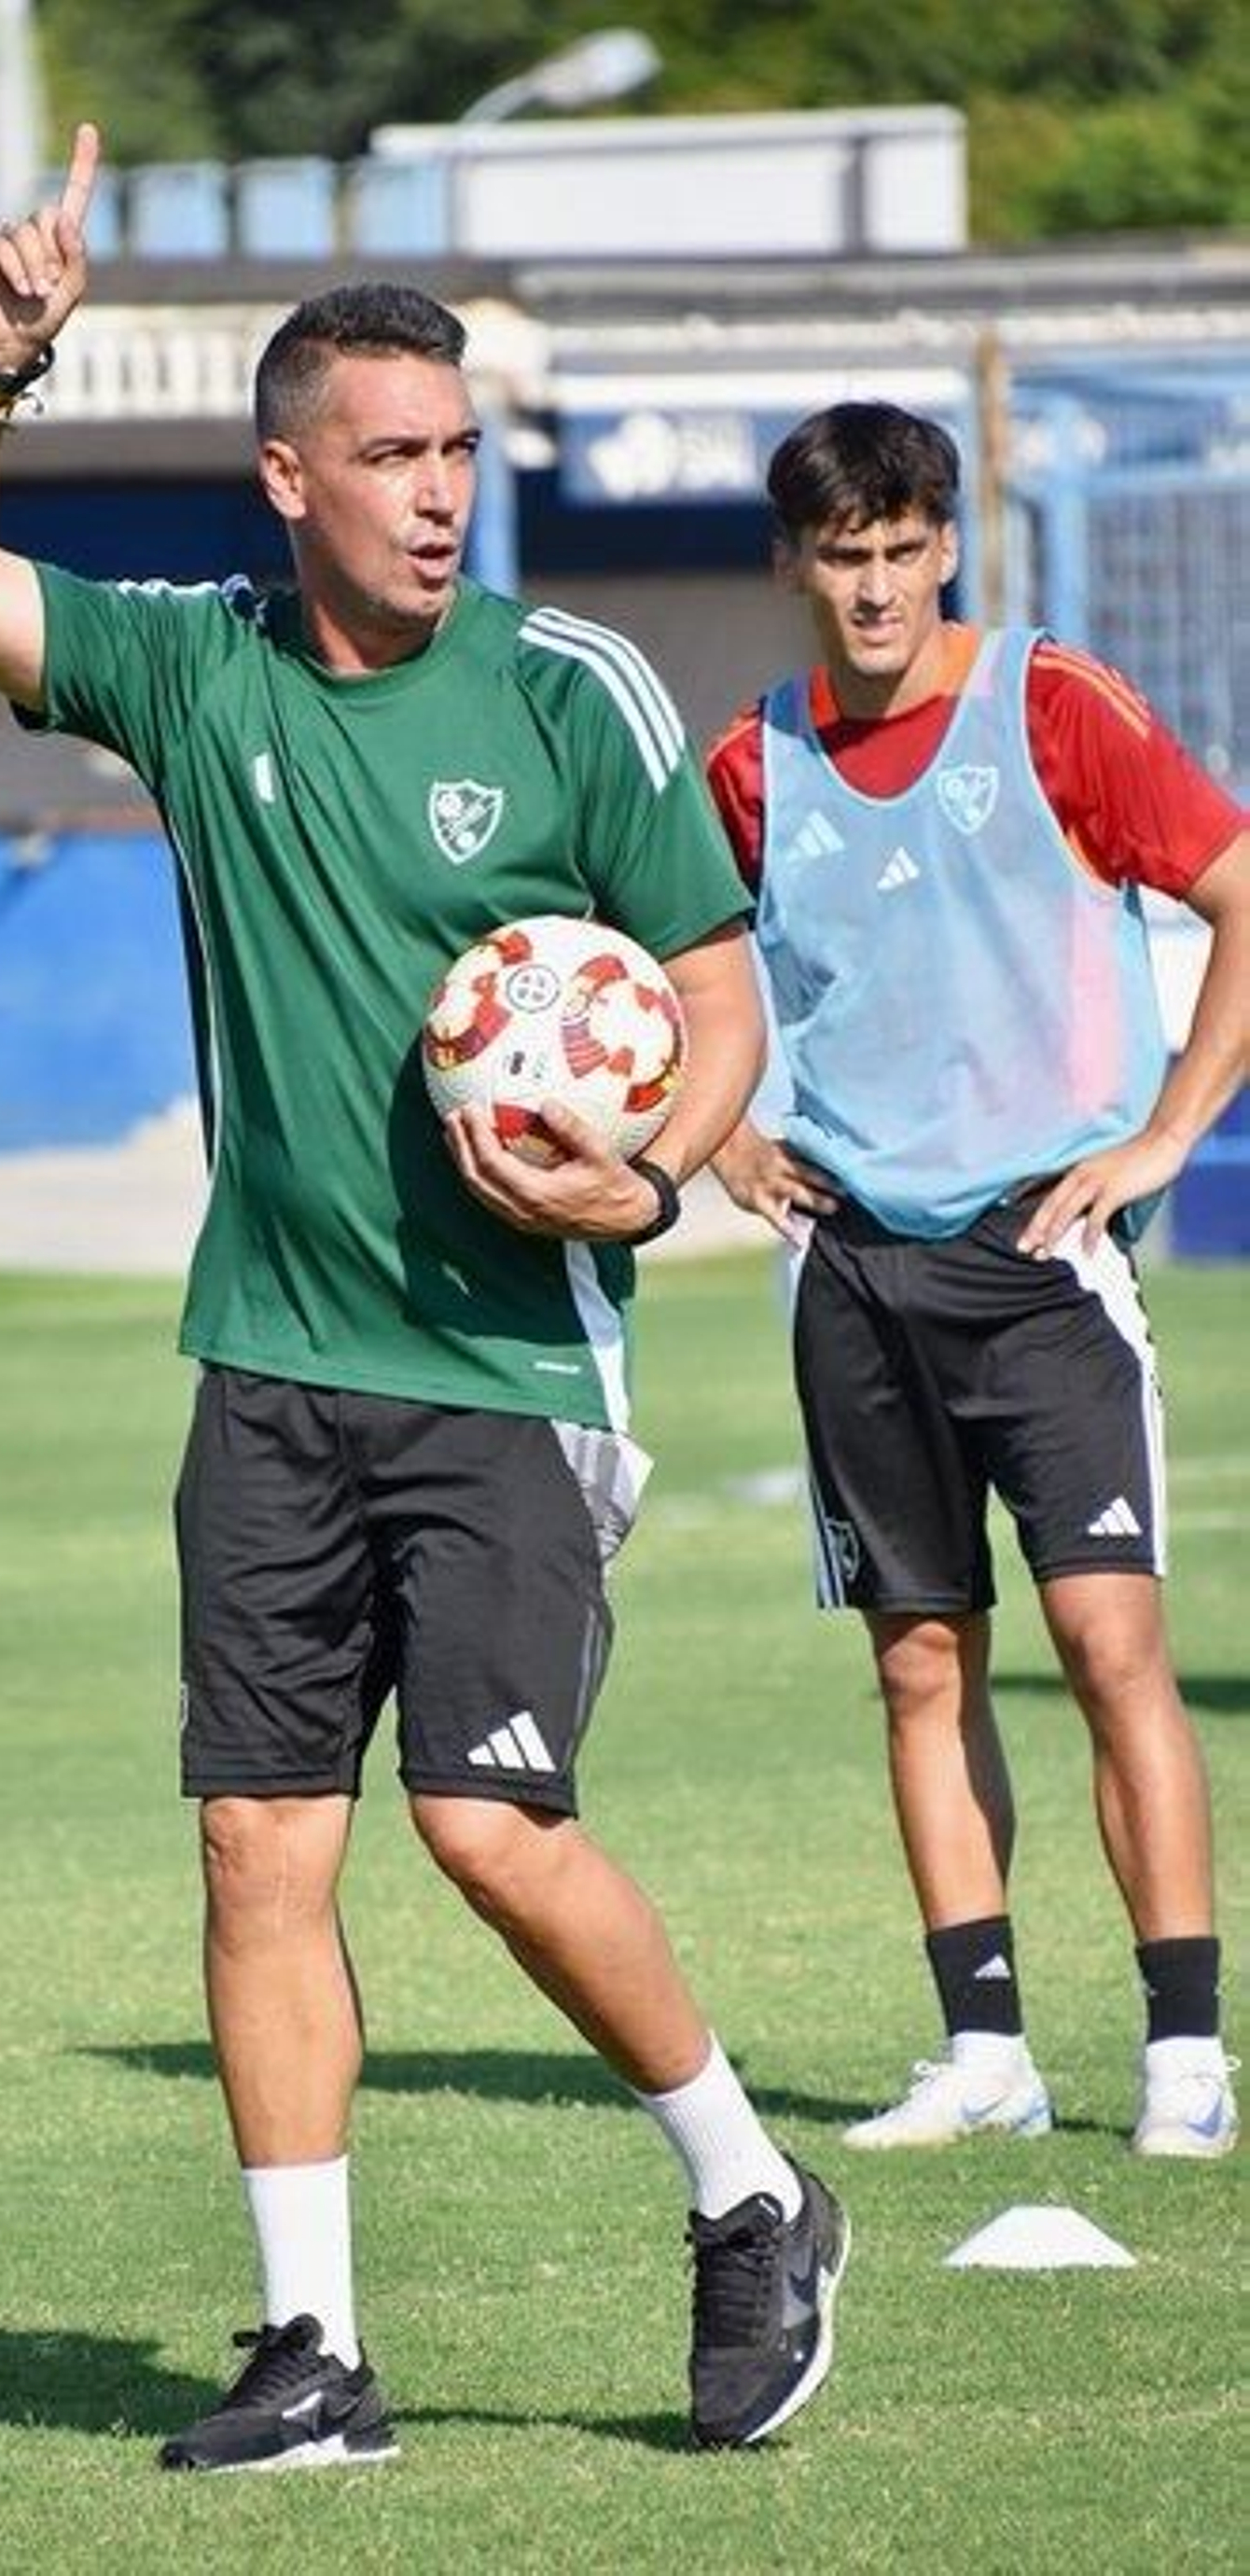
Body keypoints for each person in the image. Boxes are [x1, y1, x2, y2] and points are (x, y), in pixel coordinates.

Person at [0, 122, 848, 2470]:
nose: (437, 493)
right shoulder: (193, 676)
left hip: (508, 1368)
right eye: (390, 456)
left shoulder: (569, 689)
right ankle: (307, 2345)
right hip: (270, 1369)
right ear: (284, 477)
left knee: (487, 1829)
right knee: (253, 1844)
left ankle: (745, 2186)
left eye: (459, 453)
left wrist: (649, 1162)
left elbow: (712, 990)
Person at [707, 400, 1246, 2161]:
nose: (870, 590)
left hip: (1042, 1263)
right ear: (798, 563)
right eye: (838, 558)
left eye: (898, 551)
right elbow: (654, 971)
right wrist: (718, 1142)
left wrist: (1165, 1135)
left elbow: (1240, 889)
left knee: (1109, 1647)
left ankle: (1183, 2051)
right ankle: (986, 2051)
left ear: (946, 541)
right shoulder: (748, 761)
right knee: (921, 1669)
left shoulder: (1051, 704)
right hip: (853, 1272)